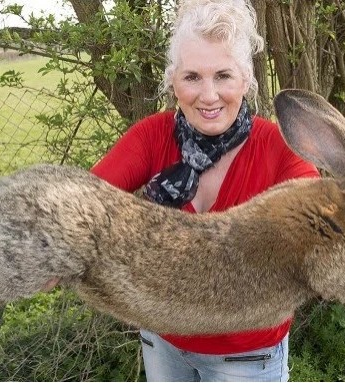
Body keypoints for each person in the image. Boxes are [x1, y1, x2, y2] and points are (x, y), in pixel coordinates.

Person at [91, 0, 319, 381]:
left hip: (247, 358)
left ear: (246, 79)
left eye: (223, 76)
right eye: (193, 76)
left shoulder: (279, 148)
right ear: (173, 81)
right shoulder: (152, 137)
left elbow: (317, 231)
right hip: (163, 342)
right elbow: (79, 203)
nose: (208, 95)